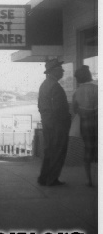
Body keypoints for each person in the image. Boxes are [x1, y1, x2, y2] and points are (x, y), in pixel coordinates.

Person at [37, 58, 71, 186]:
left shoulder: (44, 85)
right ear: (53, 71)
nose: (62, 71)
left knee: (49, 151)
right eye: (60, 69)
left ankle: (44, 178)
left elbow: (40, 106)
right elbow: (59, 109)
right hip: (58, 125)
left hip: (48, 123)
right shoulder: (55, 86)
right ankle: (52, 179)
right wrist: (67, 120)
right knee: (58, 151)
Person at [73, 65, 98, 187]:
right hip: (97, 122)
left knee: (88, 149)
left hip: (85, 123)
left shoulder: (77, 92)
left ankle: (89, 179)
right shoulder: (96, 89)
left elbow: (74, 109)